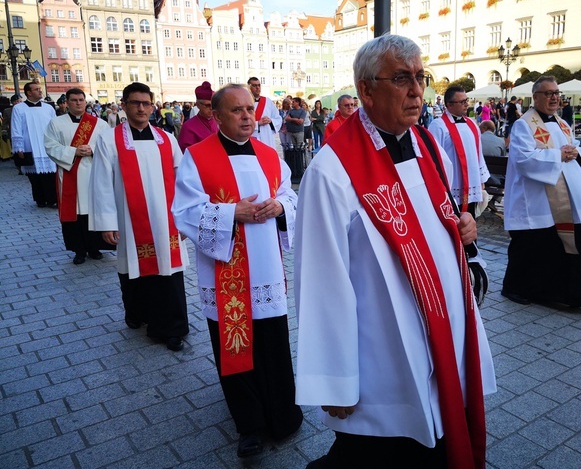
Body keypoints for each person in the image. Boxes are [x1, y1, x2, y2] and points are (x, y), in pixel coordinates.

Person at [294, 34, 496, 468]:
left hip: (445, 325)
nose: (417, 90)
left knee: (439, 432)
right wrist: (335, 381)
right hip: (384, 347)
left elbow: (436, 213)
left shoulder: (425, 143)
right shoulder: (331, 171)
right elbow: (321, 282)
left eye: (420, 78)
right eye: (402, 78)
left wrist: (462, 228)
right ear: (365, 90)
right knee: (382, 451)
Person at [172, 84, 303, 459]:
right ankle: (249, 425)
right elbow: (184, 211)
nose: (247, 116)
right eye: (237, 111)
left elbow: (289, 193)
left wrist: (279, 207)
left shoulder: (268, 152)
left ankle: (283, 413)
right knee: (235, 347)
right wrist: (232, 213)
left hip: (265, 268)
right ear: (216, 115)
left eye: (250, 109)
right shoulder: (197, 157)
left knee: (273, 341)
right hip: (225, 270)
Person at [89, 82, 189, 352]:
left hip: (165, 220)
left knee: (168, 272)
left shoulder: (166, 139)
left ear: (152, 105)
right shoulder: (109, 139)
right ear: (124, 105)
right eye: (135, 103)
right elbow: (100, 183)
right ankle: (136, 313)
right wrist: (106, 222)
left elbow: (183, 181)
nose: (142, 108)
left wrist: (184, 218)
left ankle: (171, 328)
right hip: (129, 219)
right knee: (133, 267)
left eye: (146, 103)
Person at [502, 75, 581, 307]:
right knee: (530, 246)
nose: (554, 98)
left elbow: (576, 150)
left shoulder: (562, 123)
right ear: (535, 97)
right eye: (548, 93)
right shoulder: (523, 124)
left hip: (565, 194)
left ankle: (573, 293)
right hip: (535, 197)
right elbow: (523, 159)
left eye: (557, 93)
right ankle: (514, 287)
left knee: (563, 244)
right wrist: (558, 155)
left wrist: (574, 153)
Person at [44, 88, 111, 264]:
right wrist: (74, 151)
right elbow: (50, 146)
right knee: (74, 213)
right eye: (74, 100)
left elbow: (109, 146)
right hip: (69, 173)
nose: (78, 103)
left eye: (81, 99)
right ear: (67, 102)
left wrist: (93, 149)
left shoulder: (99, 124)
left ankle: (95, 247)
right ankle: (78, 250)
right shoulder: (56, 123)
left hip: (93, 173)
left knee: (92, 211)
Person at [429, 86, 490, 217]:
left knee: (470, 222)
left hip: (472, 182)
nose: (466, 104)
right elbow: (434, 158)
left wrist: (481, 179)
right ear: (449, 104)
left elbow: (478, 154)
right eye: (462, 102)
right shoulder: (438, 125)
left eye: (466, 100)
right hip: (452, 184)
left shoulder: (472, 124)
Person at [11, 81, 58, 207]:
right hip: (29, 145)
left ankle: (53, 199)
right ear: (29, 93)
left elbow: (55, 126)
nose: (40, 90)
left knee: (50, 174)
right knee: (34, 175)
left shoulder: (48, 108)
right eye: (37, 89)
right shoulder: (18, 108)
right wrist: (18, 147)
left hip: (47, 145)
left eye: (39, 88)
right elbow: (16, 128)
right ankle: (40, 199)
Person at [177, 81, 217, 154]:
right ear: (198, 105)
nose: (211, 108)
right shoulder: (188, 127)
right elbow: (186, 153)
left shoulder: (219, 121)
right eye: (208, 105)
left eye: (214, 105)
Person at [248, 77, 280, 148]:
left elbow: (278, 118)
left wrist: (271, 121)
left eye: (259, 85)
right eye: (254, 85)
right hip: (251, 136)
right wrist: (258, 123)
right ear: (249, 87)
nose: (257, 87)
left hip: (266, 136)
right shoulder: (245, 102)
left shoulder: (268, 101)